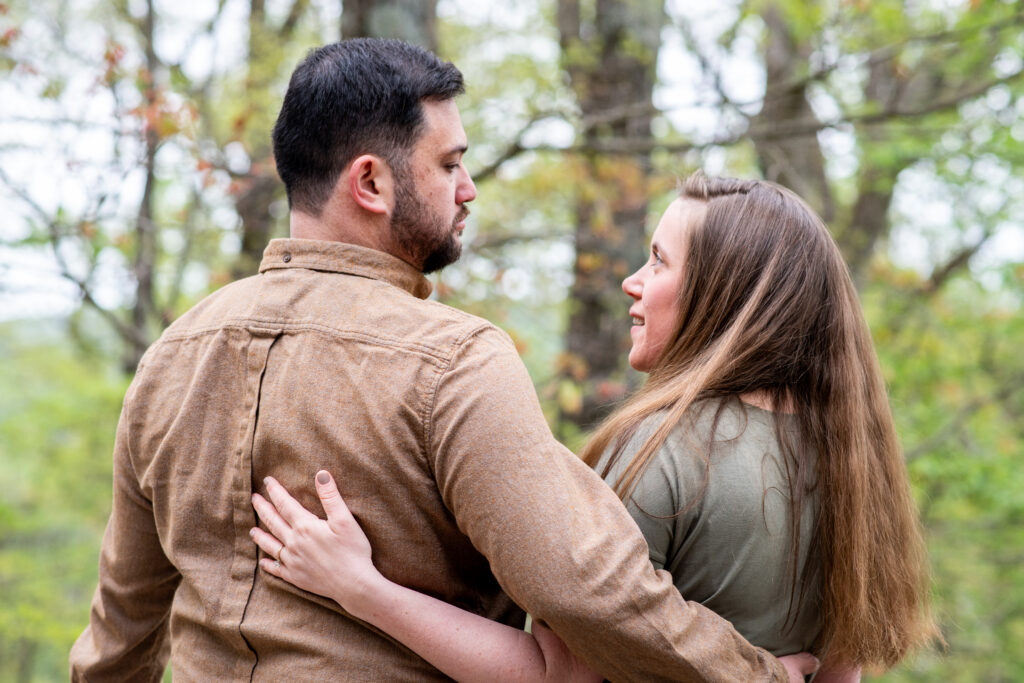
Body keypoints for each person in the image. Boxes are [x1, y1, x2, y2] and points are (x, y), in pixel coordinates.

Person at [70, 39, 815, 681]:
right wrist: (750, 670)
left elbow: (120, 634)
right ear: (371, 182)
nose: (468, 190)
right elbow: (590, 591)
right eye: (450, 164)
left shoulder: (173, 356)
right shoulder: (454, 361)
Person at [249, 174, 939, 682]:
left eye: (660, 261)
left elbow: (554, 672)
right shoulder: (849, 461)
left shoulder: (670, 450)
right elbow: (842, 671)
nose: (632, 283)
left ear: (722, 291)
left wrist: (361, 587)